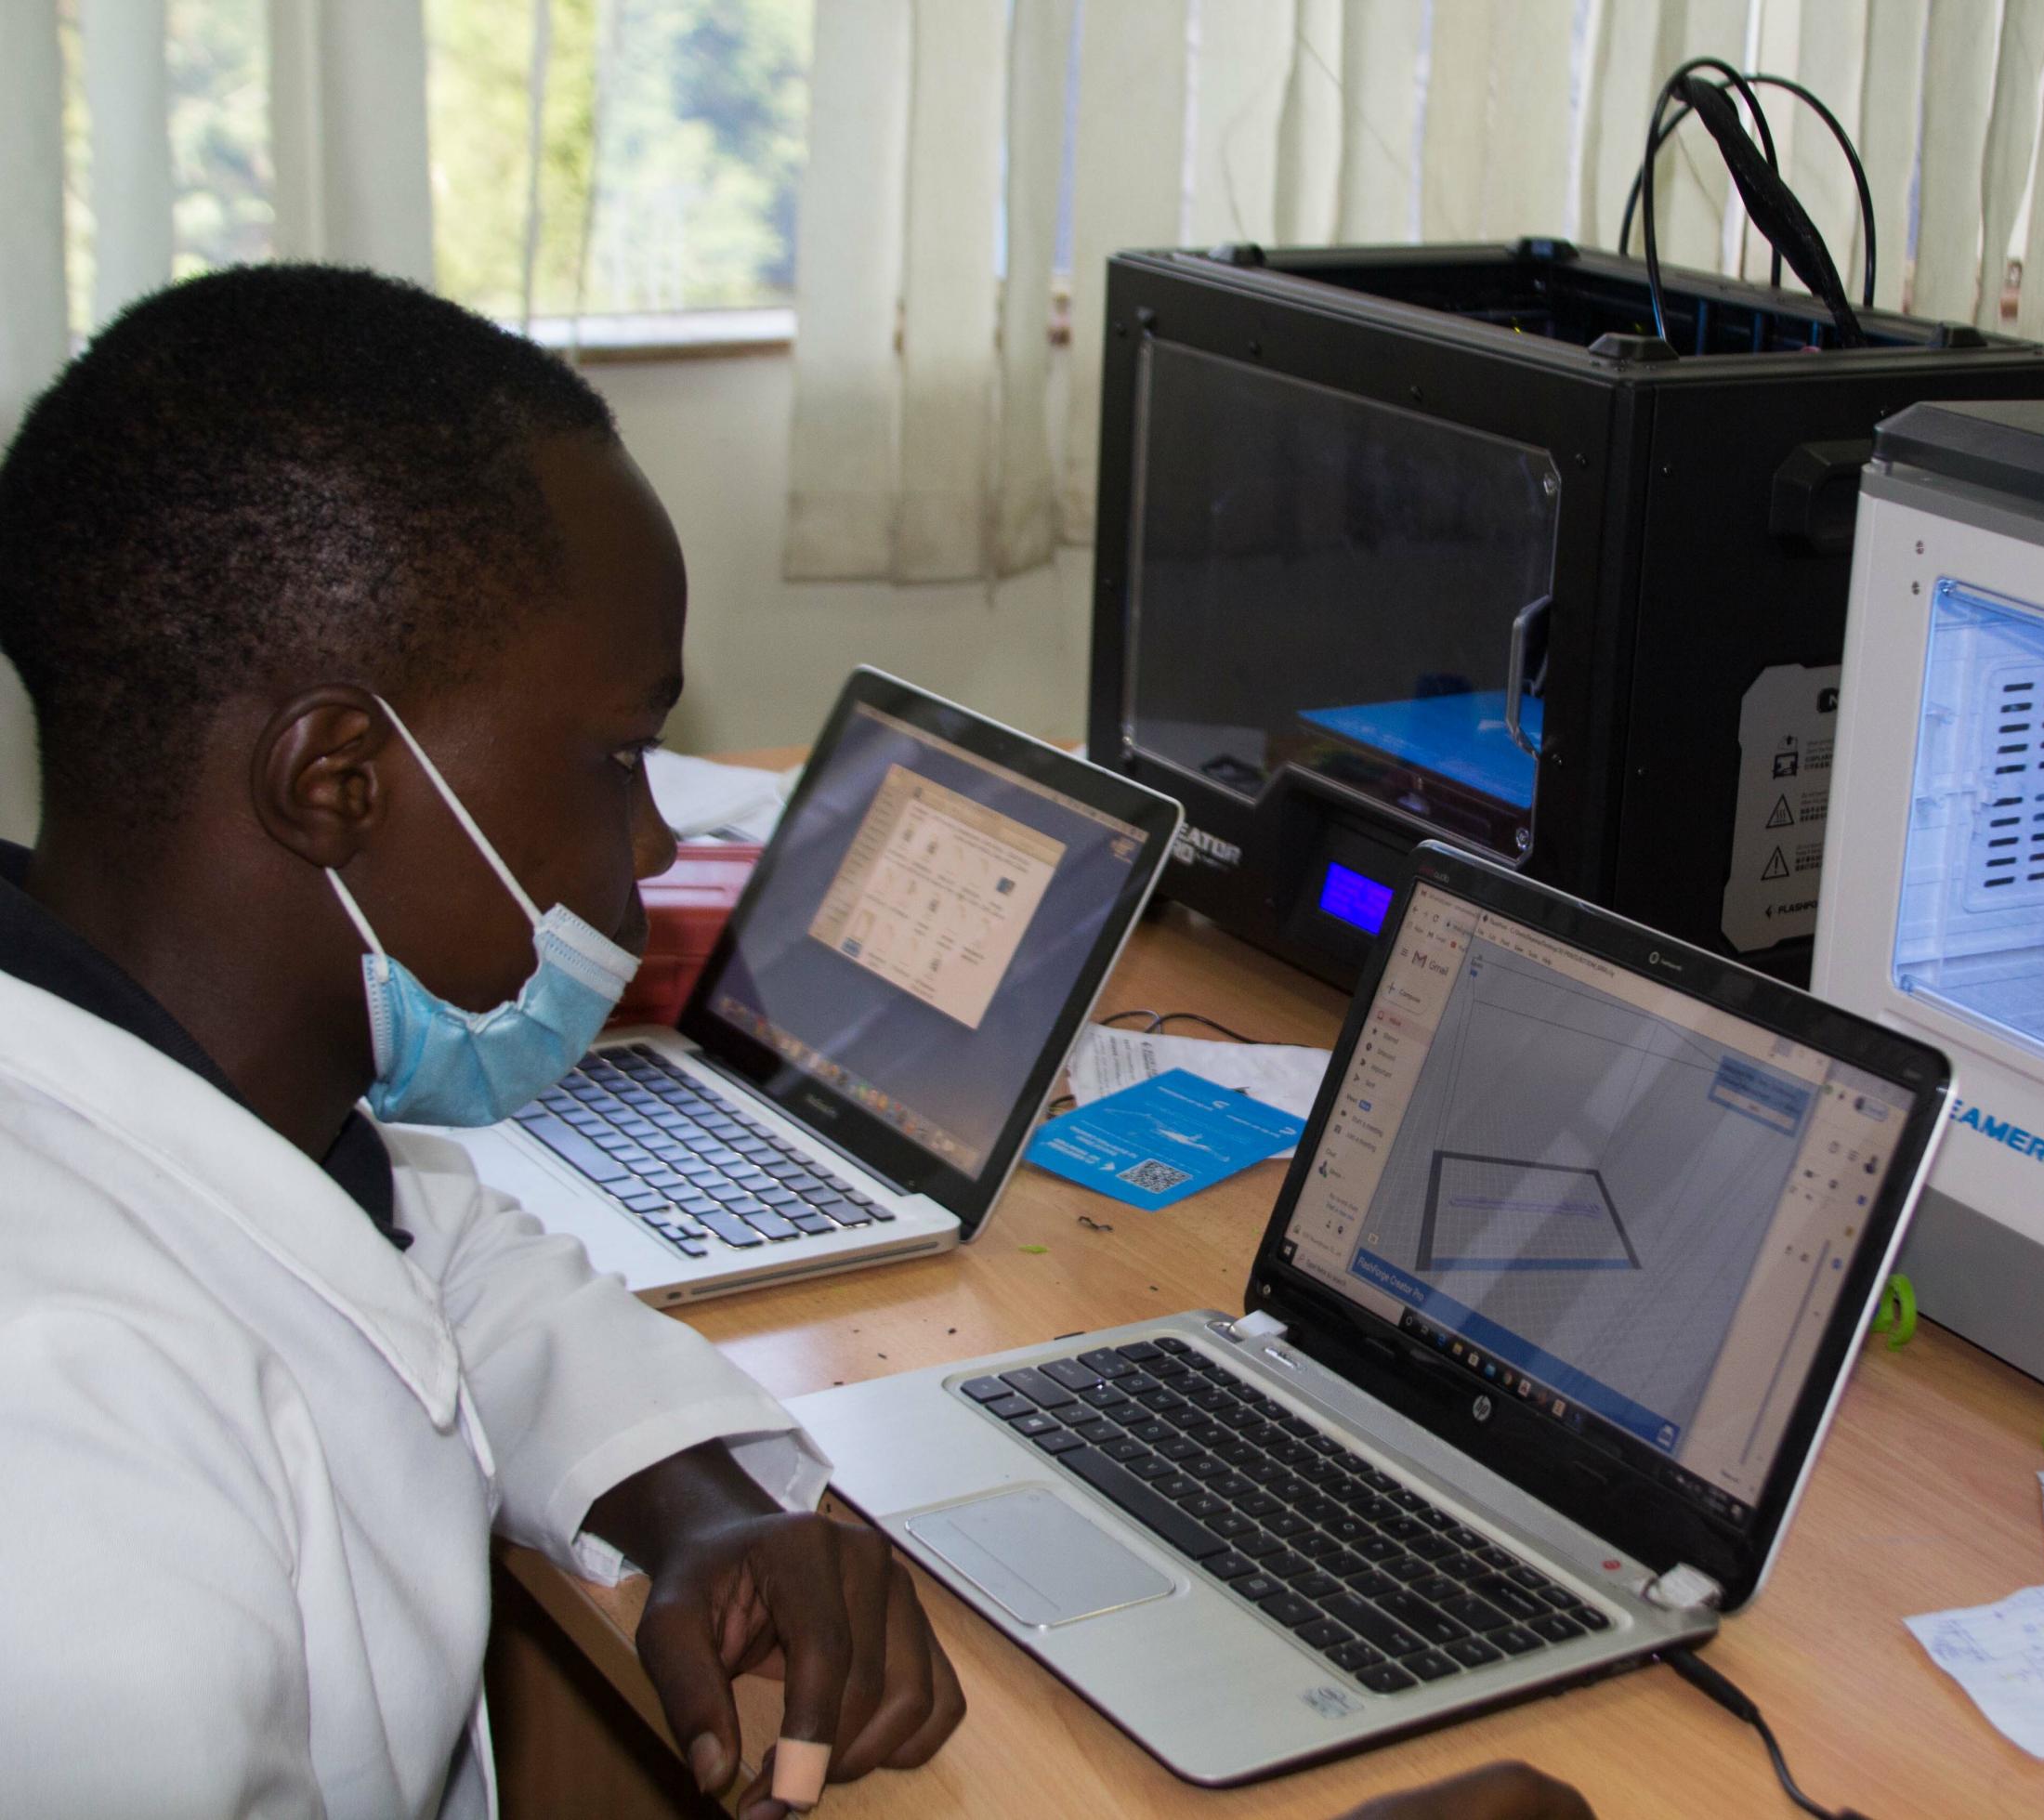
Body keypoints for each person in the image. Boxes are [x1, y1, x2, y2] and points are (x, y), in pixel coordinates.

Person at [0, 266, 1592, 1820]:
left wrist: (696, 1501)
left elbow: (423, 1267)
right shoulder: (71, 1462)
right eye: (620, 757)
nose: (642, 850)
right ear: (337, 780)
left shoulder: (179, 1087)